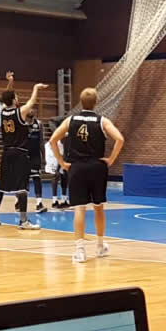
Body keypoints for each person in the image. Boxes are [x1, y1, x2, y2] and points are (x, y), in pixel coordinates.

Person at [49, 88, 124, 264]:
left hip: (77, 168)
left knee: (79, 208)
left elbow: (53, 140)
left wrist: (62, 162)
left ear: (81, 102)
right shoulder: (102, 121)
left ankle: (80, 251)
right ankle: (99, 246)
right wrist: (111, 159)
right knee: (98, 208)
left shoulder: (70, 120)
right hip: (97, 167)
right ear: (95, 102)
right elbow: (120, 139)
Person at [0, 72, 46, 230]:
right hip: (20, 153)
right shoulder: (19, 112)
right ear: (14, 100)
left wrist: (10, 82)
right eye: (16, 96)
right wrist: (36, 88)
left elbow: (6, 97)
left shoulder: (3, 111)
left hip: (6, 153)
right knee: (22, 187)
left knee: (1, 186)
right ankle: (23, 221)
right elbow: (32, 101)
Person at [24, 110, 47, 213]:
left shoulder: (39, 124)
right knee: (23, 180)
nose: (31, 111)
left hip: (35, 155)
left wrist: (44, 157)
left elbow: (41, 141)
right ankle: (19, 203)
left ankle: (39, 203)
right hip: (24, 155)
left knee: (37, 178)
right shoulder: (22, 124)